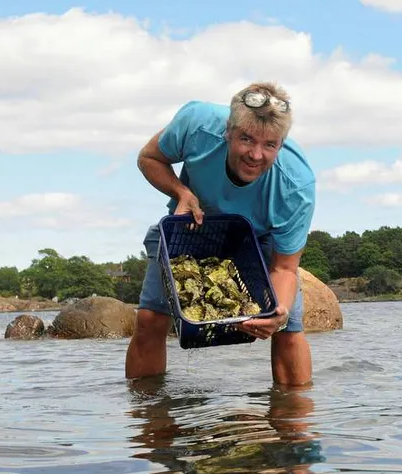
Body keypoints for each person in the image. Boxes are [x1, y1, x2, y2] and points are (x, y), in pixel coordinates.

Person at [125, 81, 315, 386]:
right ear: (228, 131)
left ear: (281, 143)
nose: (256, 154)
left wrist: (277, 312)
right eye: (246, 139)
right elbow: (149, 158)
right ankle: (150, 420)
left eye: (270, 145)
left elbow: (284, 267)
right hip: (192, 223)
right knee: (149, 319)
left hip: (258, 238)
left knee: (287, 328)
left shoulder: (296, 186)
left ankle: (293, 425)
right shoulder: (196, 123)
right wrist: (181, 192)